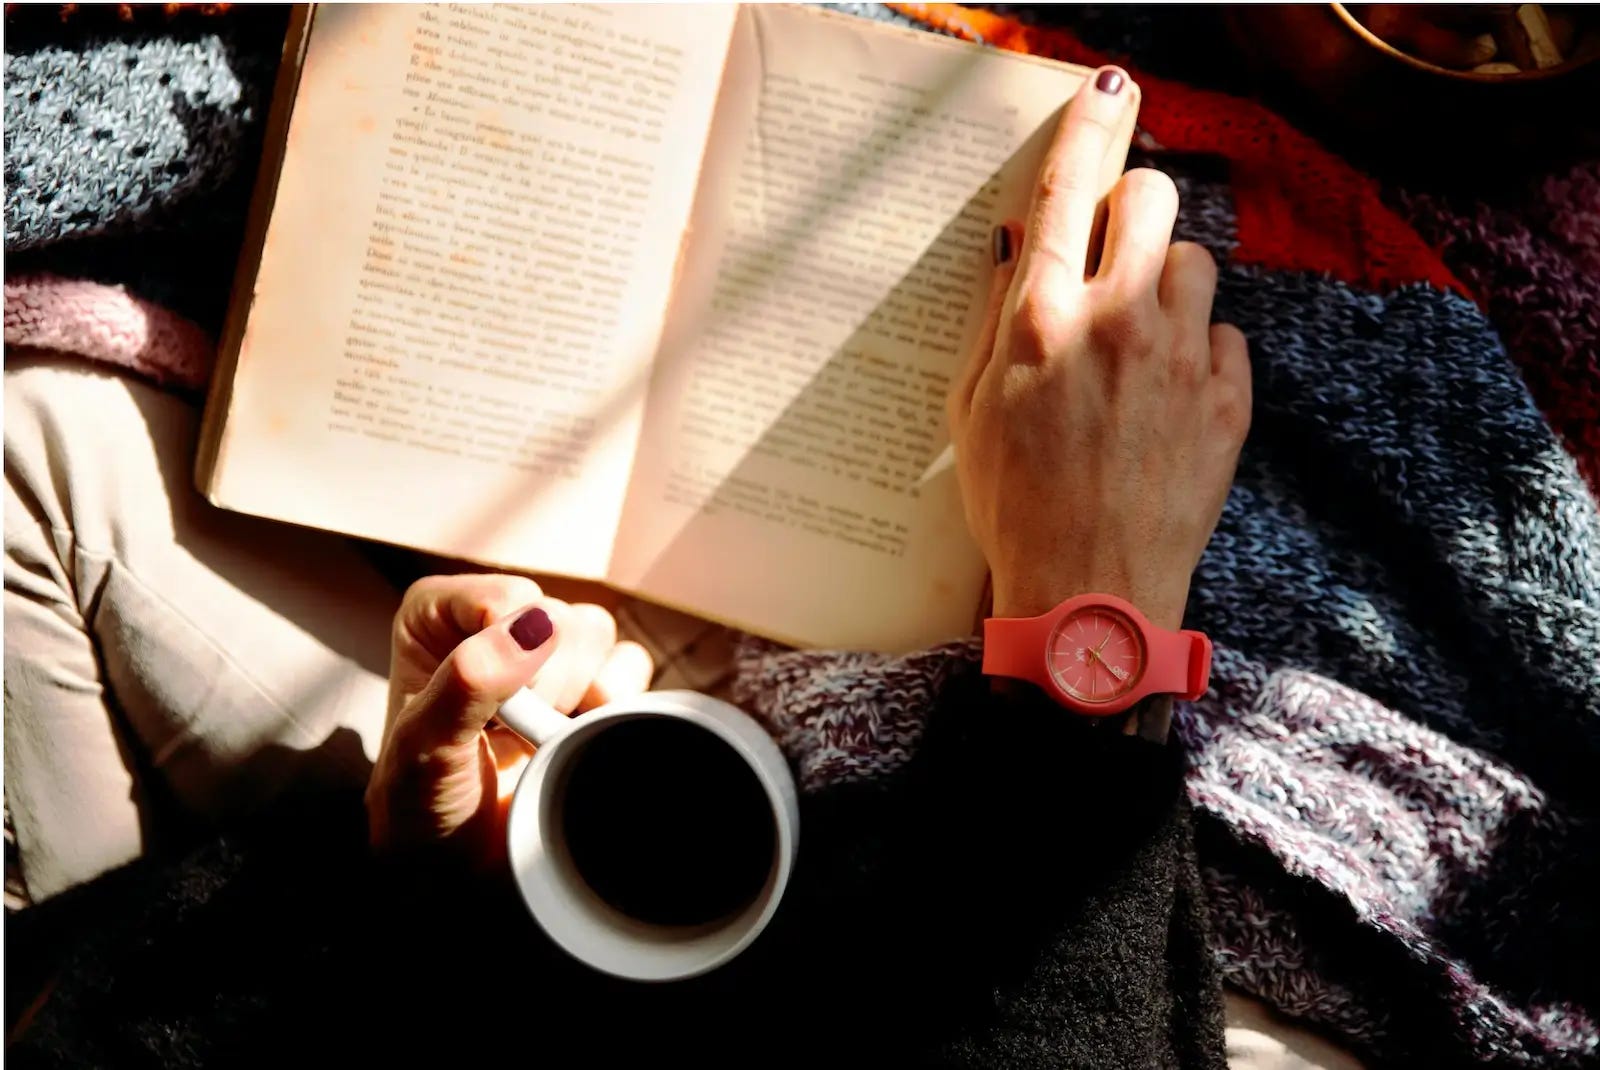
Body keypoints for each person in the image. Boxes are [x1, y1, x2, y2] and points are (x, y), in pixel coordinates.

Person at [5, 66, 1357, 1068]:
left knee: (33, 438)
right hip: (1008, 879)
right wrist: (1086, 635)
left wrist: (414, 878)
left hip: (453, 951)